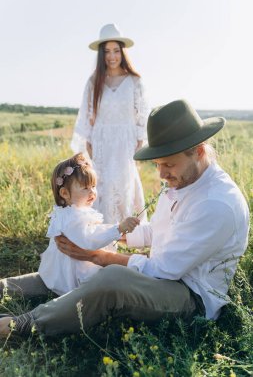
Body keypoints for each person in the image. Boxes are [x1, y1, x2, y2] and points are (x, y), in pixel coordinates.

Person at [0, 99, 249, 337]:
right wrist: (102, 240)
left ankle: (24, 326)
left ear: (198, 151)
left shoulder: (216, 204)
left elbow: (165, 269)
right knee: (69, 266)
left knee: (112, 277)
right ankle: (4, 288)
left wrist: (98, 255)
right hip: (166, 274)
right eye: (158, 165)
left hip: (189, 295)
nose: (162, 174)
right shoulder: (185, 180)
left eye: (169, 165)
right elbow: (157, 232)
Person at [71, 23, 149, 224]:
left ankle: (126, 229)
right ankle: (102, 228)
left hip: (125, 140)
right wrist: (88, 141)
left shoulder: (134, 81)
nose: (112, 56)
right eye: (106, 51)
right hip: (101, 139)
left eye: (116, 50)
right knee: (102, 183)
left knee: (124, 182)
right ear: (101, 54)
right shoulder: (94, 81)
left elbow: (142, 114)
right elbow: (88, 113)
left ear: (122, 52)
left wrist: (140, 139)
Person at [38, 153, 139, 296]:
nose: (92, 192)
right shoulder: (74, 218)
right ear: (65, 193)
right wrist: (118, 228)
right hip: (73, 273)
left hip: (69, 265)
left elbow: (92, 231)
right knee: (104, 278)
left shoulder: (68, 213)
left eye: (93, 186)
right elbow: (89, 240)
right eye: (85, 188)